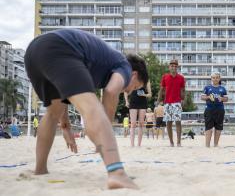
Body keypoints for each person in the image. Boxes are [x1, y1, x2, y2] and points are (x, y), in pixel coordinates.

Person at [24, 28, 149, 189]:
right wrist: (105, 128)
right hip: (61, 47)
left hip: (34, 52)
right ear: (134, 75)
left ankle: (40, 169)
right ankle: (116, 174)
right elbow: (111, 92)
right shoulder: (124, 65)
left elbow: (62, 100)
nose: (129, 91)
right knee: (92, 107)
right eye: (135, 86)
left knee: (51, 114)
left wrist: (66, 126)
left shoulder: (102, 62)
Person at [158, 59, 185, 147]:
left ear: (177, 67)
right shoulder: (165, 77)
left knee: (178, 122)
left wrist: (183, 100)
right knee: (168, 123)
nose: (173, 67)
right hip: (167, 103)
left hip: (177, 102)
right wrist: (158, 100)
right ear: (169, 67)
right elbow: (161, 89)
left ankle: (178, 142)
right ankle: (171, 142)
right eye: (172, 66)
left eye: (175, 66)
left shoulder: (181, 78)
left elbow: (183, 90)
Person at [201, 72, 228, 147]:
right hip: (209, 109)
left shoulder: (222, 88)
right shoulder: (207, 88)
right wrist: (208, 97)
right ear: (211, 79)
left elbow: (226, 99)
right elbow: (202, 97)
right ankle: (207, 145)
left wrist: (222, 98)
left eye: (217, 77)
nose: (215, 79)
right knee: (208, 128)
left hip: (220, 110)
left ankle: (216, 144)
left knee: (218, 128)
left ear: (219, 78)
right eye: (213, 77)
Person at [124, 81, 152, 147]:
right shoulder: (132, 78)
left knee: (141, 123)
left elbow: (150, 94)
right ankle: (132, 144)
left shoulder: (146, 80)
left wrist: (144, 94)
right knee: (133, 123)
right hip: (133, 102)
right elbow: (126, 91)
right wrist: (126, 101)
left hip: (142, 103)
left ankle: (139, 144)